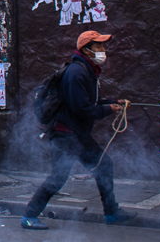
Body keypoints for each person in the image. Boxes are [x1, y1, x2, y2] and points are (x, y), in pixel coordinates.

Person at [21, 30, 135, 230]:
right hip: (65, 135)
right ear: (86, 49)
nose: (103, 50)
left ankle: (111, 213)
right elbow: (82, 108)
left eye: (102, 46)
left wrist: (113, 102)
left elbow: (88, 101)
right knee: (58, 177)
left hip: (76, 134)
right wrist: (108, 109)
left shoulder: (87, 70)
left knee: (104, 166)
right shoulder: (77, 72)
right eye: (99, 46)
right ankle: (29, 216)